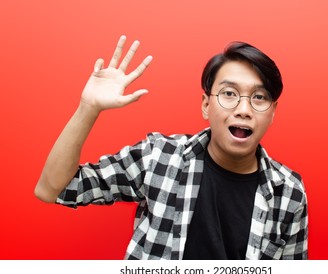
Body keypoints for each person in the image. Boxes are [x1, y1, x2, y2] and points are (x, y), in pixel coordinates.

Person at [34, 35, 308, 260]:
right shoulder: (159, 157)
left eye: (259, 97)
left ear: (272, 112)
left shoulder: (289, 193)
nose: (244, 109)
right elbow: (52, 189)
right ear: (205, 105)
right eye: (229, 94)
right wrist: (88, 107)